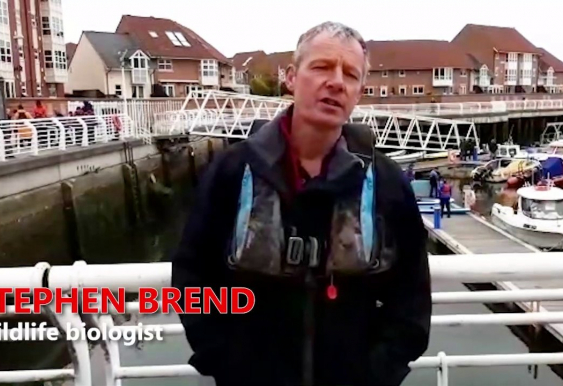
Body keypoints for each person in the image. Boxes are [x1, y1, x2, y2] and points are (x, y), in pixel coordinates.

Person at [171, 21, 431, 386]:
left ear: (358, 92)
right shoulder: (233, 172)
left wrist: (376, 373)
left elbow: (412, 296)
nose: (337, 82)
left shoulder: (386, 184)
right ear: (291, 78)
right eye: (322, 67)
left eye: (350, 74)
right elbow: (191, 274)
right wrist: (225, 360)